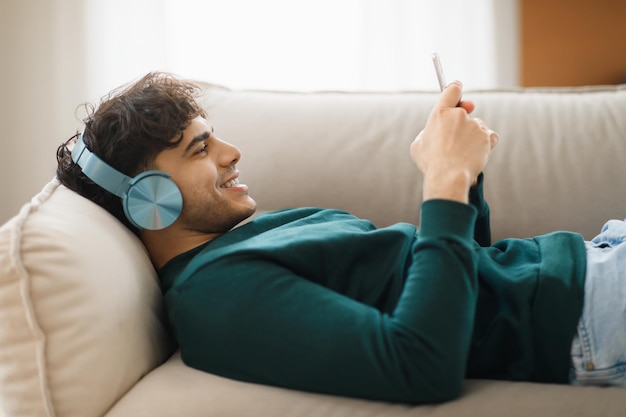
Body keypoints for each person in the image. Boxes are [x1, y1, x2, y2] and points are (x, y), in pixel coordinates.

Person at [56, 71, 626, 404]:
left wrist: (464, 181)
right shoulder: (214, 298)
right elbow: (422, 363)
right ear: (148, 199)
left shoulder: (241, 245)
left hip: (592, 261)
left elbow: (462, 278)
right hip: (587, 311)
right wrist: (443, 179)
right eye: (200, 149)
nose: (231, 154)